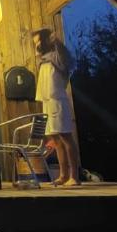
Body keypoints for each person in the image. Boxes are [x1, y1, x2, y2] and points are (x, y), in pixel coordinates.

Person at [32, 27, 80, 187]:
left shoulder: (59, 57)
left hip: (58, 101)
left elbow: (66, 59)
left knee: (66, 137)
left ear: (46, 41)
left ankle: (74, 176)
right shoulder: (44, 60)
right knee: (56, 140)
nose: (36, 45)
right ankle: (63, 175)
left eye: (38, 41)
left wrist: (55, 40)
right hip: (47, 102)